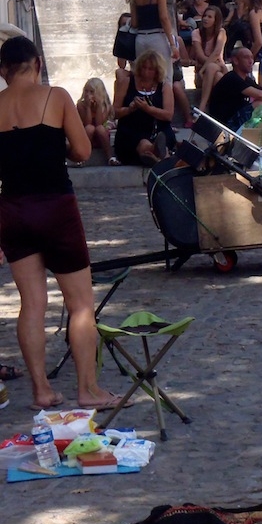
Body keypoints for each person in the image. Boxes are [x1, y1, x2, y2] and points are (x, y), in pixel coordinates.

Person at [0, 36, 132, 411]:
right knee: (80, 305)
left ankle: (42, 391)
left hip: (12, 208)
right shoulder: (55, 97)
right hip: (55, 206)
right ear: (37, 64)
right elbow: (83, 150)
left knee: (32, 304)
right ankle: (87, 389)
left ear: (2, 70)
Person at [207, 47, 262, 131]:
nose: (251, 61)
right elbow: (260, 95)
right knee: (260, 105)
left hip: (238, 119)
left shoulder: (246, 79)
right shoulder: (232, 78)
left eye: (252, 58)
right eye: (246, 57)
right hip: (226, 125)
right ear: (236, 60)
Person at [113, 49, 175, 166]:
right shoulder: (127, 82)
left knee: (162, 137)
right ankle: (157, 153)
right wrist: (129, 109)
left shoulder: (164, 86)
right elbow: (114, 112)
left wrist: (148, 109)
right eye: (144, 67)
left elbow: (168, 115)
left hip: (158, 129)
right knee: (142, 143)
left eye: (150, 69)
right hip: (131, 130)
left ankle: (156, 154)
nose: (146, 72)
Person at [126, 0, 180, 84]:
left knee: (143, 76)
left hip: (140, 38)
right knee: (165, 75)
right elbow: (164, 18)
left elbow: (134, 22)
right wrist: (172, 44)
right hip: (157, 37)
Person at [191, 5, 227, 111]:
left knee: (212, 68)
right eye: (205, 16)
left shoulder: (221, 32)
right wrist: (205, 68)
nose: (206, 19)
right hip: (204, 75)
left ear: (216, 20)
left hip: (216, 68)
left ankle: (202, 107)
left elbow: (217, 53)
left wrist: (204, 68)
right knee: (215, 73)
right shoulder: (196, 33)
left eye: (210, 17)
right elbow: (200, 56)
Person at [76, 78, 117, 165]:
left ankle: (110, 157)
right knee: (90, 128)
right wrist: (88, 107)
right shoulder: (81, 105)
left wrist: (98, 107)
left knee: (100, 128)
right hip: (87, 136)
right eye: (86, 91)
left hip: (101, 137)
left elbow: (99, 123)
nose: (88, 94)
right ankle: (81, 158)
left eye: (91, 92)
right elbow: (87, 123)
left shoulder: (106, 106)